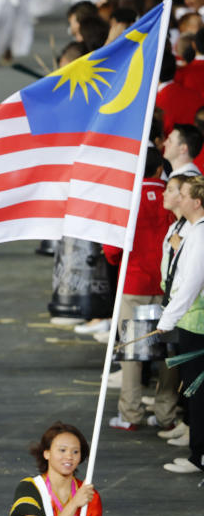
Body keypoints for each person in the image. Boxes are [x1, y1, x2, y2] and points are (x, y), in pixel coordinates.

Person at [104, 149, 179, 432]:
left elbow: (111, 248)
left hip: (133, 284)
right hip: (168, 287)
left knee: (132, 350)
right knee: (169, 351)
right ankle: (166, 414)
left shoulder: (127, 199)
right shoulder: (174, 196)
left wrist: (121, 262)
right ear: (160, 168)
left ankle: (131, 413)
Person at [158, 176, 204, 474]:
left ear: (197, 202)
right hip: (192, 322)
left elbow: (190, 285)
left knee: (197, 392)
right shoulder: (194, 232)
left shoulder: (200, 235)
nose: (179, 199)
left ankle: (198, 456)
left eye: (184, 194)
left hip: (197, 325)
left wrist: (167, 320)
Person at [157, 173, 194, 447]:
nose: (167, 195)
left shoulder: (194, 231)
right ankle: (189, 426)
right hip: (177, 306)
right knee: (185, 372)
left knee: (192, 377)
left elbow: (190, 279)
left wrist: (169, 317)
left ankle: (195, 435)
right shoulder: (178, 225)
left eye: (173, 191)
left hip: (191, 312)